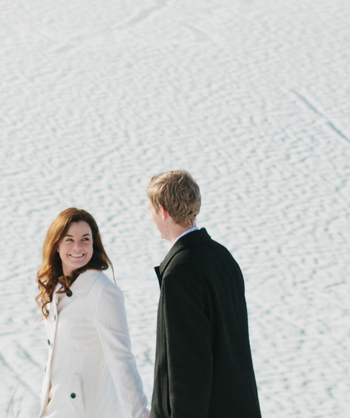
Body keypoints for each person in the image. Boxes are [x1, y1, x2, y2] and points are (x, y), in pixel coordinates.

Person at [146, 171, 259, 418]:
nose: (152, 218)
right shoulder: (223, 257)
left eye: (151, 210)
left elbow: (186, 366)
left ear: (162, 211)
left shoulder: (180, 273)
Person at [35, 206, 149, 418]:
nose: (78, 247)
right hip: (55, 408)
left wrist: (140, 412)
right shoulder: (58, 290)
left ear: (94, 244)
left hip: (87, 411)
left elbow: (121, 357)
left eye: (85, 239)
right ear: (57, 245)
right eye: (69, 239)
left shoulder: (103, 292)